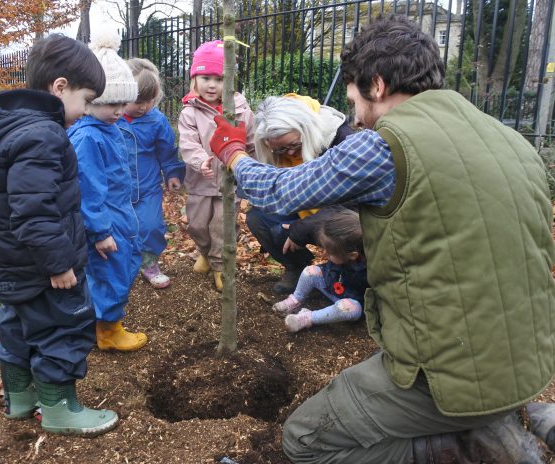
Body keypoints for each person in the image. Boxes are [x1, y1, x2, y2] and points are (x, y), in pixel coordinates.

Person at [209, 15, 555, 463]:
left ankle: (466, 445)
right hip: (528, 361)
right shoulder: (513, 142)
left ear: (376, 84)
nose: (354, 113)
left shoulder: (382, 146)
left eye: (353, 97)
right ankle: (509, 417)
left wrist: (232, 152)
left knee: (304, 441)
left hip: (447, 372)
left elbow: (278, 192)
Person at [0, 34, 117, 436]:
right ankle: (59, 409)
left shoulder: (11, 127)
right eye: (86, 98)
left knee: (18, 324)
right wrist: (58, 262)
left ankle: (21, 398)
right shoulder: (43, 136)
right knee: (63, 327)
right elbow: (34, 209)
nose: (86, 110)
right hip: (42, 264)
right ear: (60, 87)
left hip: (10, 262)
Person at [68, 27, 147, 352]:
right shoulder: (89, 137)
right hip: (105, 221)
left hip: (119, 215)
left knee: (122, 267)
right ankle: (108, 330)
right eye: (108, 103)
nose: (117, 110)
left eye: (122, 103)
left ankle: (102, 323)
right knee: (110, 274)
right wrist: (100, 231)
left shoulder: (109, 128)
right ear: (89, 102)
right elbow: (88, 190)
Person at [249, 95, 355, 294]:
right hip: (304, 213)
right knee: (259, 218)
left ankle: (350, 274)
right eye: (280, 149)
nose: (289, 154)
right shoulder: (276, 148)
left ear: (306, 129)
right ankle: (297, 267)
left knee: (349, 234)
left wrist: (302, 228)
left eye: (294, 145)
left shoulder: (341, 139)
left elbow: (351, 207)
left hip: (344, 217)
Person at [178, 40, 255, 291]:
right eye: (206, 77)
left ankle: (220, 266)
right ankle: (205, 252)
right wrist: (202, 161)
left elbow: (252, 141)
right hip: (201, 180)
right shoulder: (190, 112)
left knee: (222, 226)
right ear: (195, 79)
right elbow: (188, 143)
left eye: (220, 79)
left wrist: (251, 169)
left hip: (228, 181)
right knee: (197, 224)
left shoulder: (241, 110)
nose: (212, 85)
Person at [118, 58, 186, 289]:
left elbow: (166, 151)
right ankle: (120, 266)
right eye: (137, 101)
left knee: (151, 226)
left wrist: (172, 174)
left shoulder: (156, 120)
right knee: (118, 229)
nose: (143, 106)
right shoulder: (109, 119)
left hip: (147, 188)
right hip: (116, 189)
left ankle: (149, 264)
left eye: (149, 100)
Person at [271, 207, 367, 333]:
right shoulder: (341, 255)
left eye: (330, 252)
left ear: (352, 255)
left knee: (349, 309)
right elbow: (326, 269)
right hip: (331, 284)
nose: (324, 254)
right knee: (310, 271)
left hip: (351, 300)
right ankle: (296, 300)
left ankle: (308, 318)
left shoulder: (367, 270)